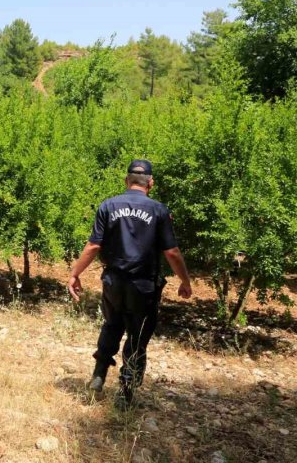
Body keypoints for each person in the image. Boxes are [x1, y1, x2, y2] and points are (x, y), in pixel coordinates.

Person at [68, 159, 192, 410]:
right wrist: (185, 280)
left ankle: (99, 375)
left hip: (113, 282)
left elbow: (93, 246)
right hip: (144, 285)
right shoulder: (159, 211)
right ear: (151, 183)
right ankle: (125, 394)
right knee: (138, 336)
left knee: (112, 324)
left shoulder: (108, 206)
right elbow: (172, 252)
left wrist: (75, 273)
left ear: (127, 181)